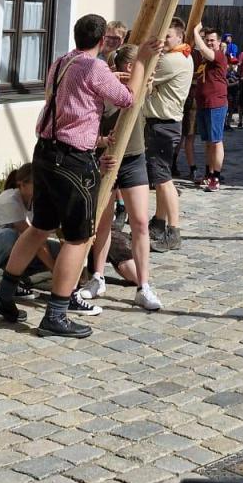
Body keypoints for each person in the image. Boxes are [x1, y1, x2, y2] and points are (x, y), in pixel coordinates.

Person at [0, 13, 157, 338]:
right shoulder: (95, 68)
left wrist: (112, 77)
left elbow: (83, 92)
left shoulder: (62, 61)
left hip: (45, 152)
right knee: (79, 238)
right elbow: (128, 100)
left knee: (40, 227)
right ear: (101, 41)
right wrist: (142, 62)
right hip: (72, 160)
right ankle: (56, 313)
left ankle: (5, 293)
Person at [84, 45, 162, 311]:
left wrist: (143, 72)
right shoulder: (103, 86)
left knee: (140, 221)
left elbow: (147, 85)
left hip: (133, 159)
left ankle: (144, 286)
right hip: (105, 160)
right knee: (103, 223)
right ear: (128, 66)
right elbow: (87, 128)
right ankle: (97, 277)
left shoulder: (142, 85)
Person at [0, 164, 56, 304]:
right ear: (22, 185)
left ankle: (14, 282)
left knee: (57, 250)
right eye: (37, 183)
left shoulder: (35, 200)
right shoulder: (9, 200)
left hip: (10, 249)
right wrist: (55, 270)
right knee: (9, 235)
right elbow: (33, 239)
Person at [147, 18, 195, 254]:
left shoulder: (172, 60)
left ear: (179, 38)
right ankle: (158, 222)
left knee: (163, 179)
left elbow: (144, 78)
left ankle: (173, 231)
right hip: (166, 123)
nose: (163, 40)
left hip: (162, 125)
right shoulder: (183, 56)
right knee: (160, 177)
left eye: (167, 36)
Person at [192, 24, 231, 189]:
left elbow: (203, 49)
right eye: (207, 40)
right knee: (207, 142)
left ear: (219, 42)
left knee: (216, 141)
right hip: (203, 103)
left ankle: (216, 176)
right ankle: (208, 173)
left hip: (216, 103)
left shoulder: (219, 55)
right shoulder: (203, 59)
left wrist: (195, 32)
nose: (209, 43)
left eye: (212, 40)